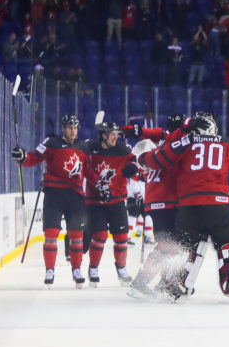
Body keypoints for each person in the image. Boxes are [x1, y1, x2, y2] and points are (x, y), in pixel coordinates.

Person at [136, 113, 229, 301]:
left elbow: (160, 158)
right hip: (219, 204)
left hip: (188, 207)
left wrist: (143, 159)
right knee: (228, 242)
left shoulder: (185, 142)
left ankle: (178, 283)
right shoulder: (227, 142)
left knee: (189, 246)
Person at [11, 115, 91, 287]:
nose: (73, 131)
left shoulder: (84, 147)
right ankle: (50, 270)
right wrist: (23, 156)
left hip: (75, 196)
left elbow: (91, 172)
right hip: (54, 195)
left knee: (76, 236)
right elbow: (33, 157)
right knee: (51, 234)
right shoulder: (51, 143)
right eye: (70, 127)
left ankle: (76, 269)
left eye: (75, 128)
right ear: (63, 128)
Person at [123, 114, 185, 300]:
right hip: (165, 204)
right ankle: (141, 281)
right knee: (167, 246)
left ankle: (165, 280)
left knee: (173, 246)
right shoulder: (171, 150)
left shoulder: (160, 150)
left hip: (160, 204)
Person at [83, 121, 138, 286]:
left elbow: (136, 161)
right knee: (100, 236)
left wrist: (134, 168)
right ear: (104, 135)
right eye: (112, 134)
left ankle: (121, 268)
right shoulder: (90, 148)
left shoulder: (122, 149)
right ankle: (93, 268)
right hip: (95, 201)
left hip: (117, 200)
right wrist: (99, 184)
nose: (116, 137)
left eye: (117, 134)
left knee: (121, 238)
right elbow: (85, 166)